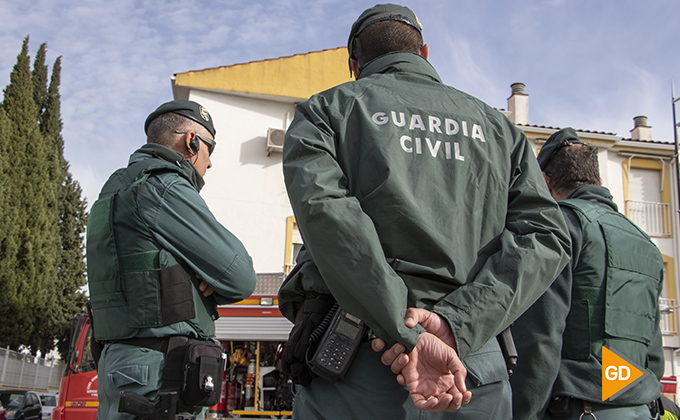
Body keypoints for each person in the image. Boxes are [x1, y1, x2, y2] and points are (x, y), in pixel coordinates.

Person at [277, 4, 571, 419]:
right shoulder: (500, 129)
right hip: (471, 368)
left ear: (354, 64)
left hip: (360, 365)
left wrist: (406, 331)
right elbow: (546, 236)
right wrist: (455, 324)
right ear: (425, 53)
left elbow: (330, 221)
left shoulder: (327, 110)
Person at [86, 99, 258, 419]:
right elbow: (241, 276)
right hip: (159, 372)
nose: (209, 164)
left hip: (118, 363)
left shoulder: (112, 192)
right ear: (192, 141)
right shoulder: (164, 185)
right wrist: (206, 276)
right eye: (210, 150)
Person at [510, 127, 665, 420]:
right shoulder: (647, 244)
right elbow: (654, 355)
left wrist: (524, 413)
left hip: (580, 408)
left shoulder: (562, 228)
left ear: (544, 181)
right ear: (599, 180)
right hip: (640, 409)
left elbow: (540, 338)